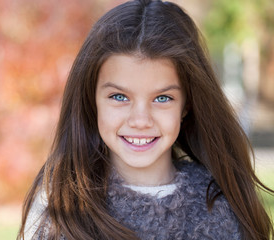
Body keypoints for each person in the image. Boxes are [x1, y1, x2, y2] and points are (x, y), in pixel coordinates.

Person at [17, 0, 274, 239]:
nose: (140, 120)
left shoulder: (222, 209)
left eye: (162, 98)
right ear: (91, 99)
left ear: (187, 105)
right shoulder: (56, 211)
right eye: (119, 96)